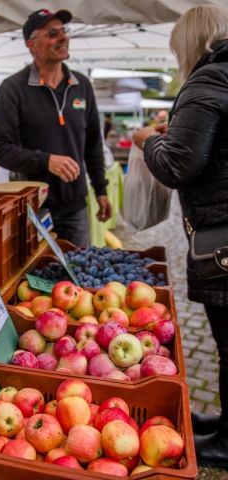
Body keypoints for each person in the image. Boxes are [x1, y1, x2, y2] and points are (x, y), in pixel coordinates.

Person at [132, 4, 228, 468]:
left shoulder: (207, 81)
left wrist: (148, 140)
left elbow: (176, 166)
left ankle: (227, 444)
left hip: (222, 236)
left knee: (227, 341)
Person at [0, 9, 111, 247]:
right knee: (34, 278)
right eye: (53, 33)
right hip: (31, 210)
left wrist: (101, 190)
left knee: (78, 276)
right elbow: (0, 149)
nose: (63, 38)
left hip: (75, 207)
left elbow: (93, 144)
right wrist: (47, 161)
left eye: (64, 32)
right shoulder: (13, 88)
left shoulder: (81, 85)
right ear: (31, 45)